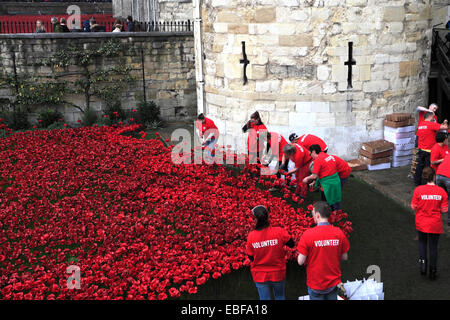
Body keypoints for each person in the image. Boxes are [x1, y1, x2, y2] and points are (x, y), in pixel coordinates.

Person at [297, 201, 349, 300]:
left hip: (316, 283)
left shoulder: (308, 234)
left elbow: (300, 261)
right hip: (333, 281)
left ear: (317, 215)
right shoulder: (338, 232)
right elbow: (344, 257)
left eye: (312, 214)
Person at [246, 205, 295, 300]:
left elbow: (251, 257)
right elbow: (292, 244)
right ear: (268, 216)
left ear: (255, 219)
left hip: (260, 274)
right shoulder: (279, 232)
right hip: (278, 272)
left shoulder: (251, 236)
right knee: (280, 296)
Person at [411, 167, 448, 280]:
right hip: (435, 223)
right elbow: (444, 210)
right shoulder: (441, 192)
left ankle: (423, 267)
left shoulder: (418, 190)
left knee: (422, 243)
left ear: (424, 177)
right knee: (433, 247)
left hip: (421, 222)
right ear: (434, 177)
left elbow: (414, 206)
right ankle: (432, 271)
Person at [303, 145, 342, 211]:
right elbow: (323, 170)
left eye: (310, 153)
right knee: (333, 198)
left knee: (325, 200)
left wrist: (306, 178)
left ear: (314, 152)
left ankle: (327, 214)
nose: (310, 156)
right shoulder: (326, 155)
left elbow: (314, 175)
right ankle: (334, 212)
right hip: (335, 181)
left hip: (328, 184)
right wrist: (315, 182)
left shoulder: (317, 160)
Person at [415, 112, 448, 186]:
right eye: (433, 117)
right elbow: (444, 128)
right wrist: (445, 123)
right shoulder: (431, 124)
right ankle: (425, 183)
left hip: (421, 149)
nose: (434, 119)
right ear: (430, 117)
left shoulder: (421, 124)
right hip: (428, 150)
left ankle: (417, 181)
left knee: (419, 166)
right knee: (428, 169)